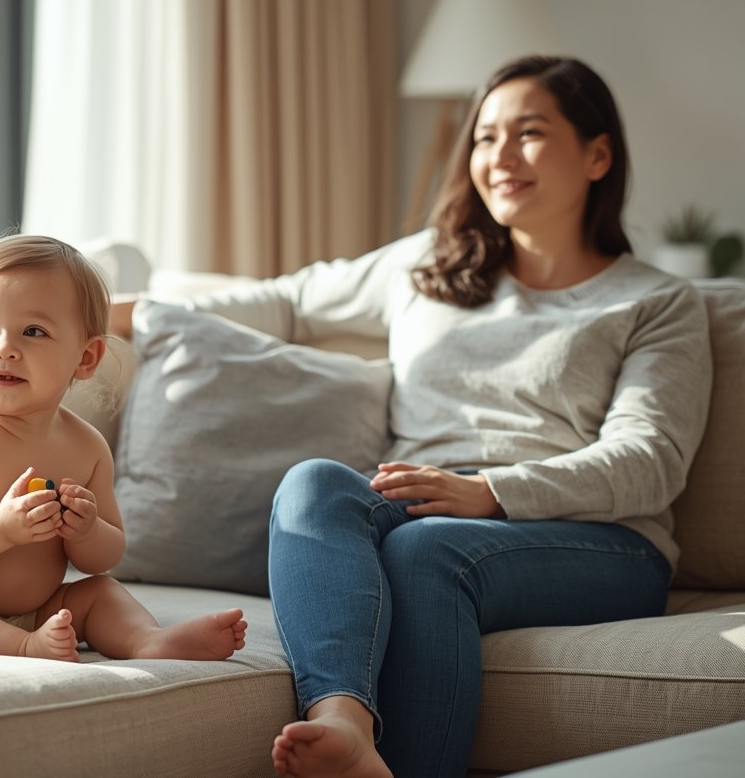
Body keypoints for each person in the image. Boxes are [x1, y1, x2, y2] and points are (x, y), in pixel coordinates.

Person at [109, 56, 712, 777]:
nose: (499, 157)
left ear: (597, 154)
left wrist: (492, 491)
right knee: (314, 486)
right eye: (485, 139)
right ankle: (342, 717)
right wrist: (117, 313)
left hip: (596, 541)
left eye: (528, 133)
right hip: (429, 505)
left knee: (426, 550)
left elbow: (651, 462)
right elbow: (291, 300)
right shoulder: (430, 267)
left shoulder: (656, 302)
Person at [0, 233, 248, 662]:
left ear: (86, 359)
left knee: (98, 592)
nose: (4, 348)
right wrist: (2, 527)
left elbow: (106, 556)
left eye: (33, 331)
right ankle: (23, 648)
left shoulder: (87, 447)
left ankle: (146, 641)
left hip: (33, 611)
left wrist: (86, 531)